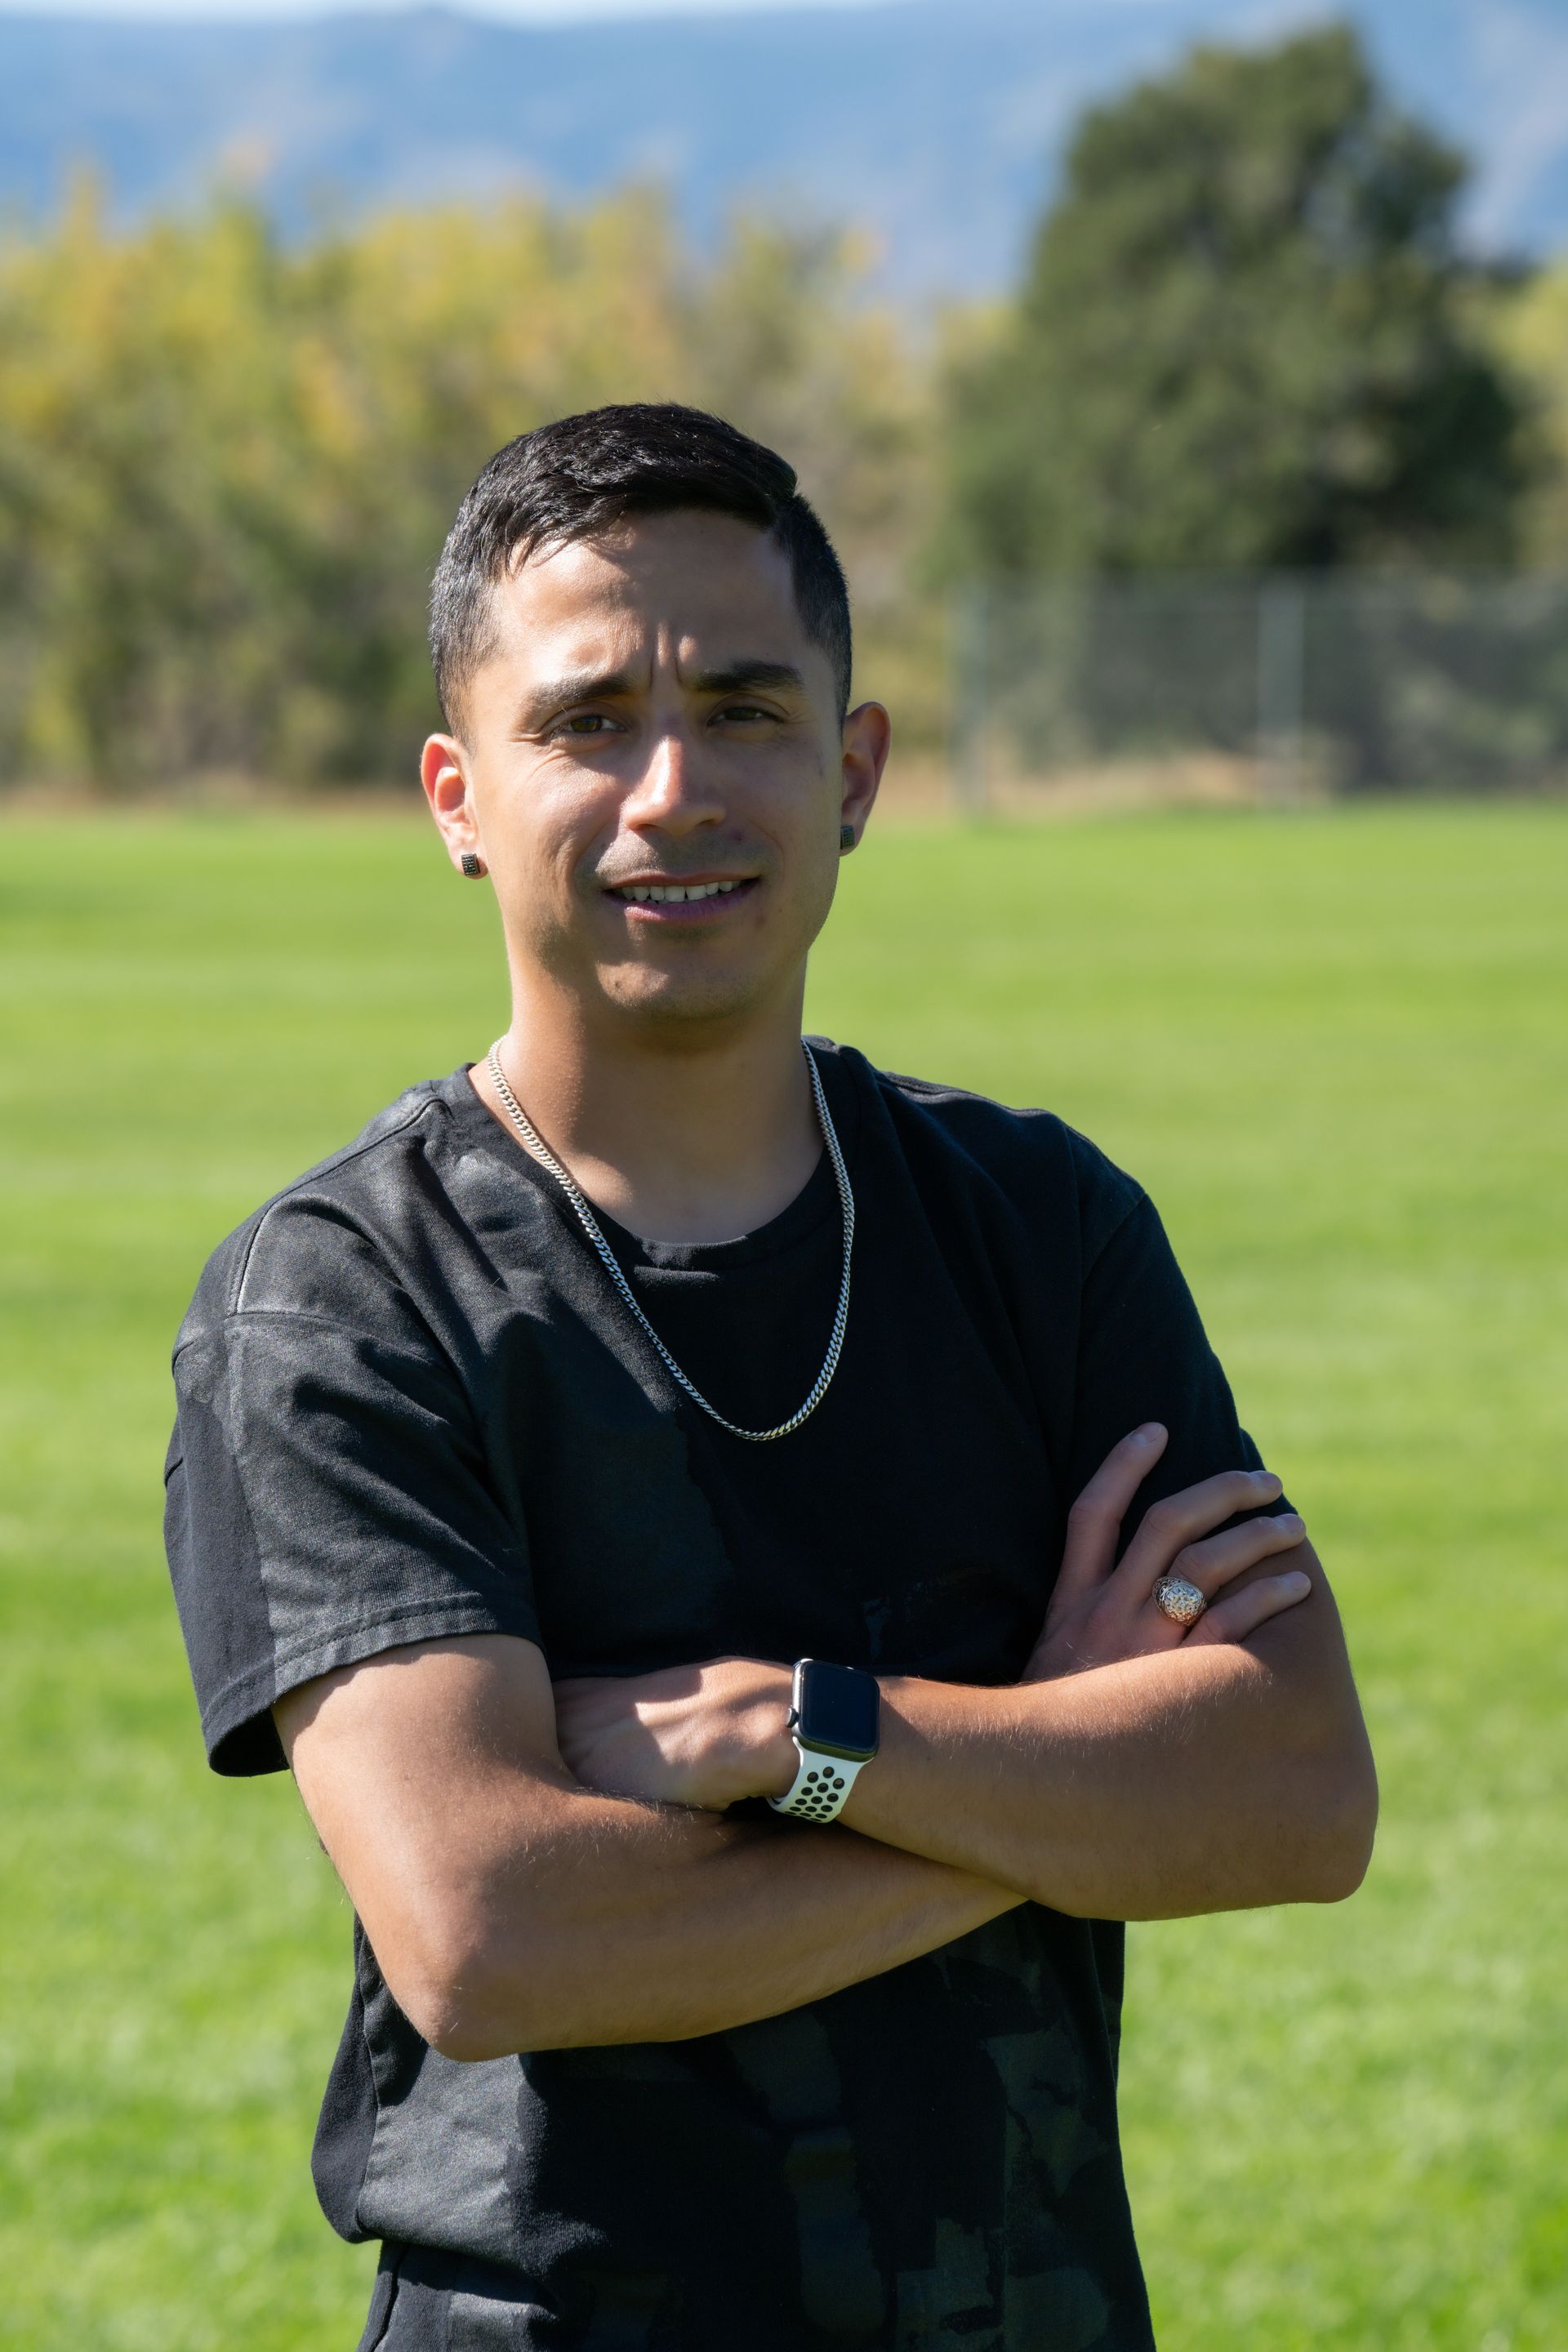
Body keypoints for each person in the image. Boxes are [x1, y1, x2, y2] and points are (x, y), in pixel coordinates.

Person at [164, 403, 1377, 2352]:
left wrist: (793, 1732)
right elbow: (489, 1933)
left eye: (745, 708)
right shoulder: (343, 1302)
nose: (674, 790)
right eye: (586, 724)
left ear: (855, 766)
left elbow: (1295, 1796)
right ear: (457, 791)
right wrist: (1046, 1759)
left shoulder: (1037, 1224)